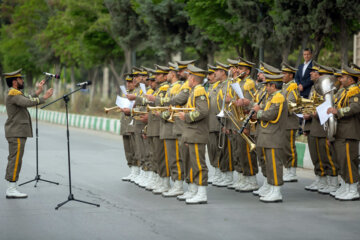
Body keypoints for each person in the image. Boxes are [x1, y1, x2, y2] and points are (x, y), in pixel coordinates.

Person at [3, 69, 53, 198]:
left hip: (16, 132)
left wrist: (38, 91)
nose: (23, 81)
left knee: (15, 159)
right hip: (16, 132)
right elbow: (27, 102)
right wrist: (44, 97)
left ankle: (12, 186)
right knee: (15, 160)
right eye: (21, 79)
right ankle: (11, 189)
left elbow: (26, 98)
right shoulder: (13, 94)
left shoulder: (16, 94)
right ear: (15, 81)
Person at [252, 74, 288, 202]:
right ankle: (272, 188)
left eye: (267, 85)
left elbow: (271, 115)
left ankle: (276, 190)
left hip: (274, 136)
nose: (266, 88)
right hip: (268, 136)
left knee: (274, 165)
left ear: (273, 85)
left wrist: (258, 112)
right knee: (269, 164)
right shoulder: (272, 97)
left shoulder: (278, 97)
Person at [177, 64, 210, 204]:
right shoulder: (194, 90)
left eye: (189, 75)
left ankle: (202, 193)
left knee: (198, 164)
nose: (188, 78)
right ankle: (194, 190)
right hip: (191, 133)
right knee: (192, 163)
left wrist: (187, 117)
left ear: (193, 78)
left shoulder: (199, 90)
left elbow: (203, 111)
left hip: (197, 133)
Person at [304, 62, 338, 194]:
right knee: (316, 156)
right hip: (314, 126)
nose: (311, 73)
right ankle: (321, 179)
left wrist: (315, 113)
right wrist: (306, 123)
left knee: (327, 156)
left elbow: (329, 105)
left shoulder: (328, 88)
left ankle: (333, 182)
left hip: (323, 126)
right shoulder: (314, 88)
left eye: (315, 72)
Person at [327, 66, 360, 201]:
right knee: (341, 160)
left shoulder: (355, 91)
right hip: (340, 131)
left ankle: (353, 188)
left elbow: (355, 107)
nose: (340, 79)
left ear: (350, 79)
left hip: (349, 131)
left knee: (348, 160)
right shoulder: (343, 91)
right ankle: (347, 185)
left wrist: (338, 112)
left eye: (343, 77)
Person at [281, 63, 300, 182]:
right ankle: (288, 169)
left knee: (290, 147)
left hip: (290, 122)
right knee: (285, 147)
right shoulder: (285, 86)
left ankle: (292, 171)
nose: (282, 75)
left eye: (285, 73)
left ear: (291, 75)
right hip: (284, 122)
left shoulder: (292, 87)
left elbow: (291, 103)